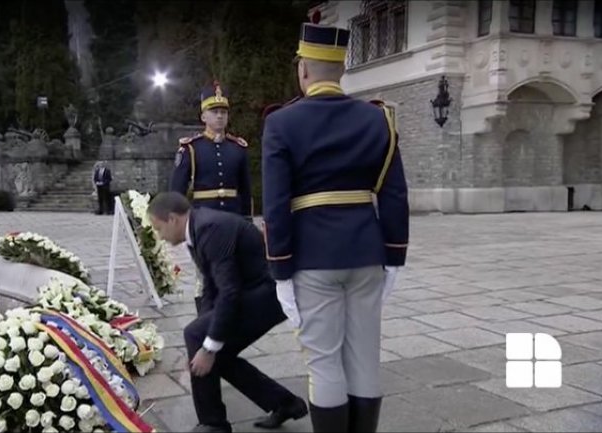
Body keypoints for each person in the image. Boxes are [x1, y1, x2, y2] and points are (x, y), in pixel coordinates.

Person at [260, 22, 409, 433]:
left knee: (324, 361)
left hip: (313, 256)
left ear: (303, 70)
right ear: (341, 70)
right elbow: (394, 195)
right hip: (366, 253)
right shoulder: (378, 119)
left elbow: (275, 205)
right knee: (364, 358)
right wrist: (394, 258)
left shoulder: (282, 123)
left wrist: (280, 269)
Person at [147, 192, 308, 433]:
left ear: (172, 219)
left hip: (269, 295)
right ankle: (285, 404)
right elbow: (212, 285)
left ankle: (213, 424)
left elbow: (228, 292)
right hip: (252, 292)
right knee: (212, 352)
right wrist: (205, 342)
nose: (159, 236)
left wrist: (207, 345)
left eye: (159, 229)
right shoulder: (198, 229)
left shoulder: (211, 229)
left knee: (197, 336)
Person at [170, 81, 254, 310]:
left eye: (223, 112)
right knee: (206, 278)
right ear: (203, 116)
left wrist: (248, 223)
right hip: (203, 224)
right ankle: (205, 321)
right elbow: (176, 190)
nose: (220, 116)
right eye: (214, 112)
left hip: (233, 224)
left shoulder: (238, 148)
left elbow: (245, 190)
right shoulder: (191, 148)